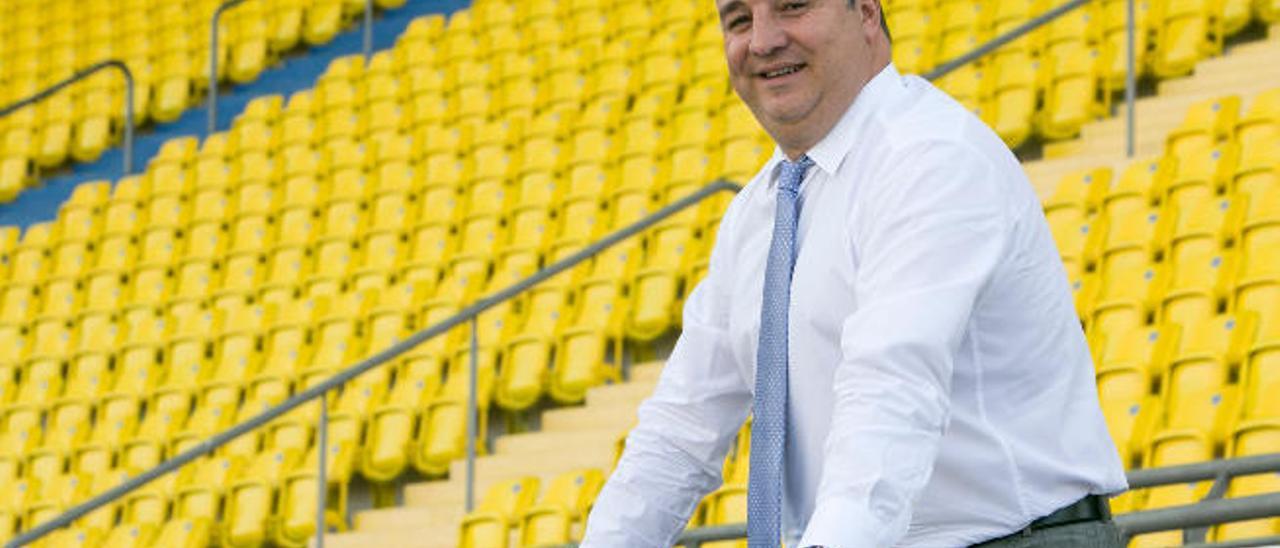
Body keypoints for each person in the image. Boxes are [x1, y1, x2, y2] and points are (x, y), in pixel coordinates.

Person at [581, 0, 1130, 546]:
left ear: (867, 12)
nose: (763, 40)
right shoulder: (757, 212)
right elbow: (679, 432)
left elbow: (890, 393)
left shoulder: (930, 159)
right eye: (739, 20)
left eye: (792, 6)